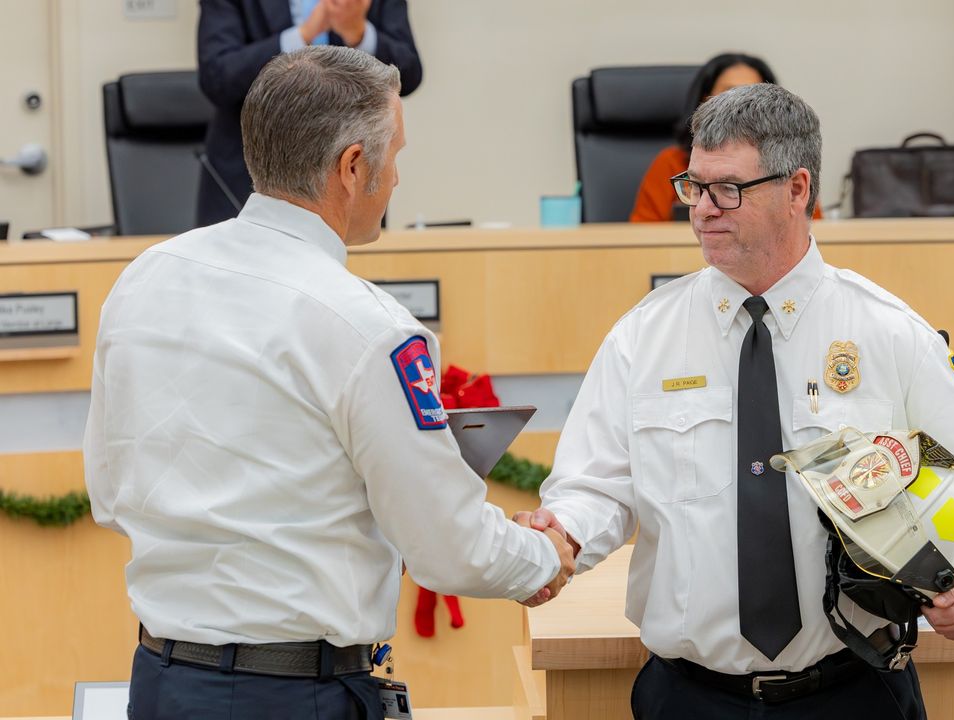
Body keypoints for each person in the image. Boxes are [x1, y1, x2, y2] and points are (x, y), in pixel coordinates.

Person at [520, 83, 954, 718]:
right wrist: (562, 539)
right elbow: (595, 487)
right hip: (690, 698)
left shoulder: (884, 330)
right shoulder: (644, 337)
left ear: (798, 189)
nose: (703, 209)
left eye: (729, 189)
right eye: (694, 185)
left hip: (854, 691)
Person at [84, 46, 572, 720]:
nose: (396, 177)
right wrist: (544, 557)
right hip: (290, 695)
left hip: (162, 683)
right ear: (351, 166)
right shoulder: (364, 324)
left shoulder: (145, 277)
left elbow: (109, 494)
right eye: (394, 154)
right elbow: (448, 549)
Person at [196, 0, 422, 226]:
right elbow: (217, 76)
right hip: (245, 173)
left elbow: (409, 73)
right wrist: (304, 35)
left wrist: (359, 34)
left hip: (351, 171)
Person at [630, 53, 776, 223]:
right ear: (704, 101)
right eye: (729, 94)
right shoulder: (671, 163)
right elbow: (642, 238)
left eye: (752, 98)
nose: (740, 107)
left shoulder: (784, 165)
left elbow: (807, 230)